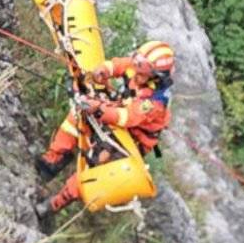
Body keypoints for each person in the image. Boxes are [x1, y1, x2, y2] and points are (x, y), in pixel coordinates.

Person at [37, 40, 175, 223]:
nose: (137, 71)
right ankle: (51, 162)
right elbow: (117, 65)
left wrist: (98, 108)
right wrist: (103, 70)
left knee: (99, 161)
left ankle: (54, 204)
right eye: (137, 62)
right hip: (116, 115)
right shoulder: (135, 67)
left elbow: (126, 117)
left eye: (143, 70)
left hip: (132, 140)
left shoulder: (155, 102)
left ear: (156, 76)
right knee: (75, 119)